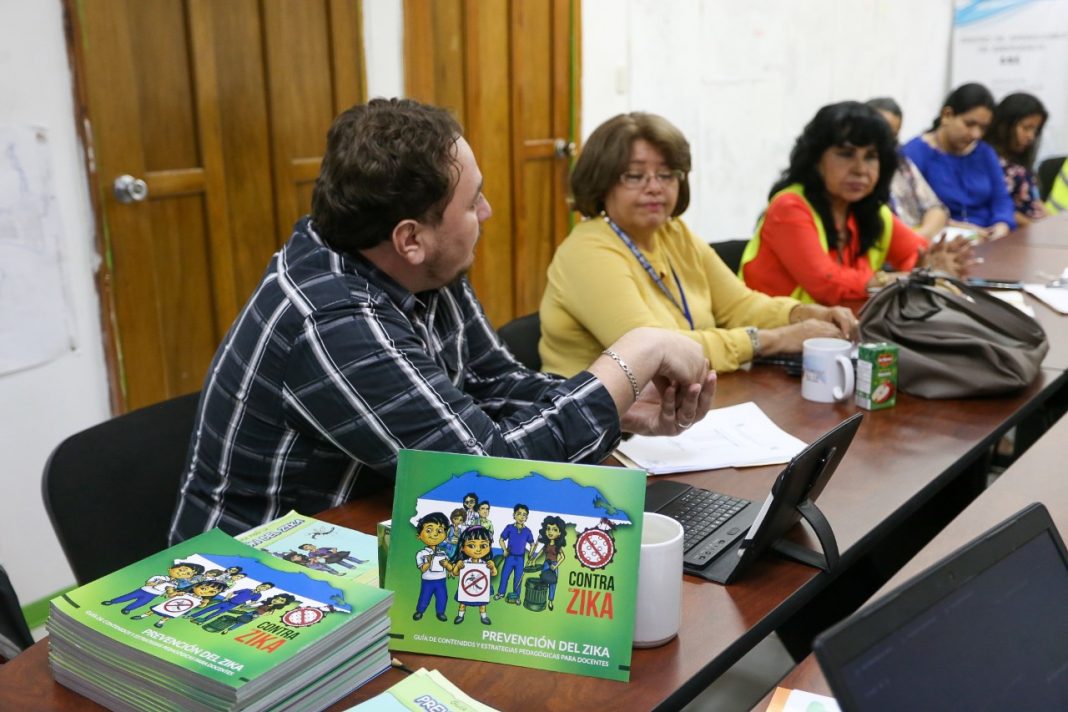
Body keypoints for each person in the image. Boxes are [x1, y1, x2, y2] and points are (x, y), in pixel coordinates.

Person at [169, 98, 715, 543]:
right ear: (411, 237)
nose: (487, 213)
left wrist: (619, 408)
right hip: (262, 589)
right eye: (472, 201)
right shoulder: (333, 321)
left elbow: (496, 385)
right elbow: (492, 475)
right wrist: (637, 351)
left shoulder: (421, 268)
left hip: (370, 533)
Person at [539, 112, 858, 377]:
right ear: (601, 181)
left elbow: (740, 306)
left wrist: (802, 314)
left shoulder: (675, 233)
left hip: (680, 406)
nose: (654, 187)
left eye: (667, 175)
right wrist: (776, 339)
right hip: (604, 426)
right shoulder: (588, 251)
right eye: (634, 176)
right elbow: (658, 354)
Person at [741, 101, 973, 304]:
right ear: (815, 159)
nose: (861, 170)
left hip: (842, 334)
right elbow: (828, 286)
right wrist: (912, 277)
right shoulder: (790, 207)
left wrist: (932, 265)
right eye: (846, 154)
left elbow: (913, 254)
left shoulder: (872, 211)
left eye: (871, 157)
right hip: (775, 339)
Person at [902, 83, 1015, 239]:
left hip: (988, 238)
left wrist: (1002, 224)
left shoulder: (984, 153)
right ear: (947, 115)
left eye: (983, 128)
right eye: (970, 124)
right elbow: (912, 211)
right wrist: (966, 228)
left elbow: (1001, 199)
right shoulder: (915, 153)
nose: (976, 134)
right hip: (942, 238)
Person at [865, 97, 949, 239]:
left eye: (892, 137)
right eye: (880, 133)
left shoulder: (899, 160)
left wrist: (920, 237)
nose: (886, 142)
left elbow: (937, 209)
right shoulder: (859, 173)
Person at [987, 92, 1049, 226]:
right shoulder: (989, 158)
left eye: (1035, 130)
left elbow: (1035, 201)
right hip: (1013, 233)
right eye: (1026, 128)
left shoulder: (1020, 161)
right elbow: (997, 206)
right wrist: (1034, 228)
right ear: (1005, 125)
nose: (1031, 136)